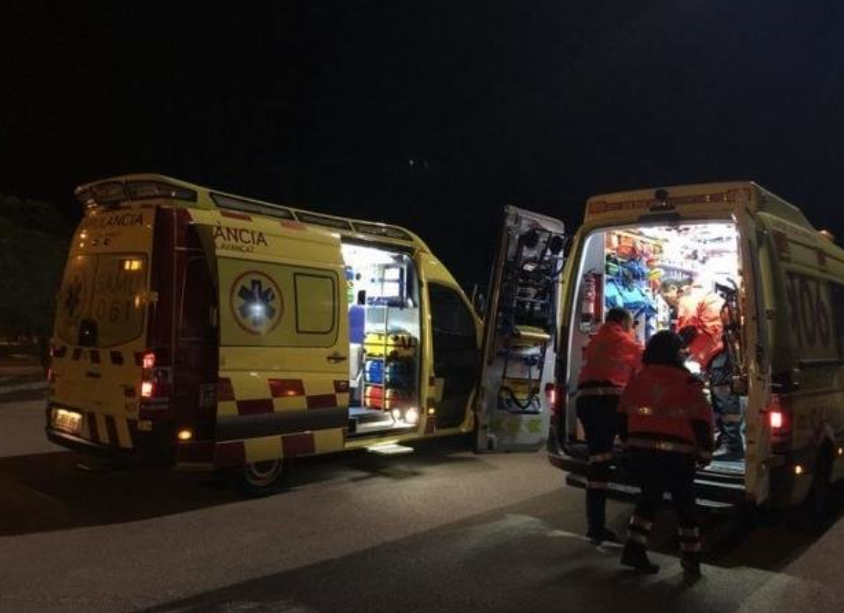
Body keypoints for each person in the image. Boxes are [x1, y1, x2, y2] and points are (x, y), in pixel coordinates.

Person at [617, 331, 714, 576]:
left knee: (648, 500)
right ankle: (691, 559)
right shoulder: (687, 381)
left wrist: (627, 443)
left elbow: (622, 413)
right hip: (678, 455)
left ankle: (633, 550)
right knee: (685, 507)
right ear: (676, 353)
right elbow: (702, 421)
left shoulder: (639, 378)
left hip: (642, 452)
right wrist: (705, 453)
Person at [576, 307, 643, 544]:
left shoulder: (596, 340)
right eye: (631, 324)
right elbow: (647, 371)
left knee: (598, 462)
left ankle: (595, 526)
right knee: (632, 451)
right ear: (624, 322)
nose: (632, 328)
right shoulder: (628, 343)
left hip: (586, 401)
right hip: (609, 403)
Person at [677, 278, 743, 460]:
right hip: (721, 349)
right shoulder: (707, 296)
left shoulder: (688, 297)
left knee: (723, 396)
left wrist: (675, 351)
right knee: (720, 396)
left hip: (717, 350)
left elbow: (687, 328)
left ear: (675, 291)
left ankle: (733, 445)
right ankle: (726, 441)